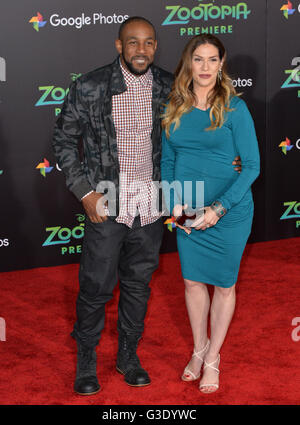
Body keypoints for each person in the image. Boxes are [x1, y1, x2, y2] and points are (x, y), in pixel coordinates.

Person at [53, 18, 241, 396]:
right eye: (133, 43)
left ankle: (128, 355)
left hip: (152, 206)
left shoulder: (169, 86)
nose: (142, 50)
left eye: (149, 43)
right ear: (119, 45)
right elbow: (63, 142)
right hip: (107, 204)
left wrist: (229, 161)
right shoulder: (89, 86)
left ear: (156, 47)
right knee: (95, 287)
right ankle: (86, 359)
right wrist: (85, 193)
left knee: (138, 285)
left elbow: (198, 130)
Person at [161, 34, 260, 393]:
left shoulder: (235, 108)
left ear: (222, 64)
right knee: (191, 282)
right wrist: (174, 204)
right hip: (186, 209)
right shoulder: (174, 105)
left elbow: (251, 166)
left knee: (224, 285)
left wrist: (218, 209)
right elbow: (169, 159)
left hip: (229, 211)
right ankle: (198, 348)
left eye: (212, 60)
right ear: (189, 63)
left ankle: (214, 357)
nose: (205, 67)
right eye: (198, 59)